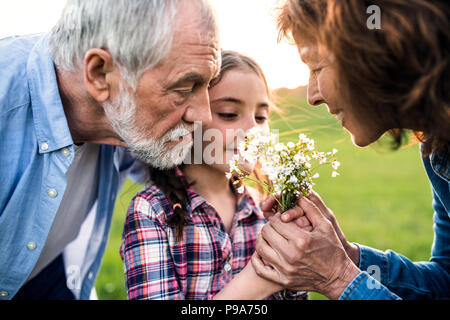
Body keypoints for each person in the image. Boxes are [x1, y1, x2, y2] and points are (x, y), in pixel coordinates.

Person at [0, 0, 220, 300]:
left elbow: (203, 158)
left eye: (207, 84)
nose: (203, 114)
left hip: (46, 272)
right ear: (100, 74)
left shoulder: (126, 117)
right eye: (183, 89)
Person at [251, 0, 450, 299]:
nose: (312, 96)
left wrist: (338, 277)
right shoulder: (437, 148)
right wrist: (350, 258)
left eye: (317, 66)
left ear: (374, 50)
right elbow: (446, 280)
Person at [120, 50, 308, 300]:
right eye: (229, 114)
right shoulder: (151, 211)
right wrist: (260, 280)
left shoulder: (267, 208)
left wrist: (296, 276)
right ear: (187, 118)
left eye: (261, 117)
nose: (253, 130)